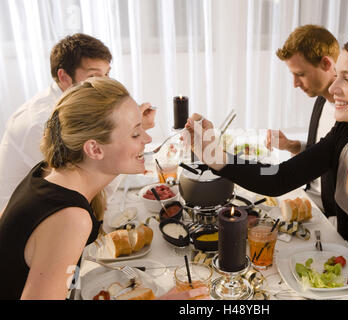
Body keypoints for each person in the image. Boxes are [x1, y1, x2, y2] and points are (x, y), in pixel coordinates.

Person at [185, 30, 348, 299]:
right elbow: (279, 177)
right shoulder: (347, 134)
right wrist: (214, 156)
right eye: (337, 76)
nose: (333, 89)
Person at [0, 77, 207, 300]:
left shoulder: (50, 171)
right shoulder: (71, 218)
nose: (147, 138)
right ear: (94, 149)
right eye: (135, 133)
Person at [0, 33, 156, 210]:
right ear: (64, 77)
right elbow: (88, 190)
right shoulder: (43, 123)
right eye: (94, 77)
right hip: (30, 215)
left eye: (107, 74)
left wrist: (132, 128)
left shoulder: (74, 105)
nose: (104, 84)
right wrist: (130, 132)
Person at [265, 25, 339, 212]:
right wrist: (292, 145)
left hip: (332, 214)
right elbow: (321, 153)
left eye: (300, 74)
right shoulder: (321, 100)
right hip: (310, 200)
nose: (295, 84)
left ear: (326, 64)